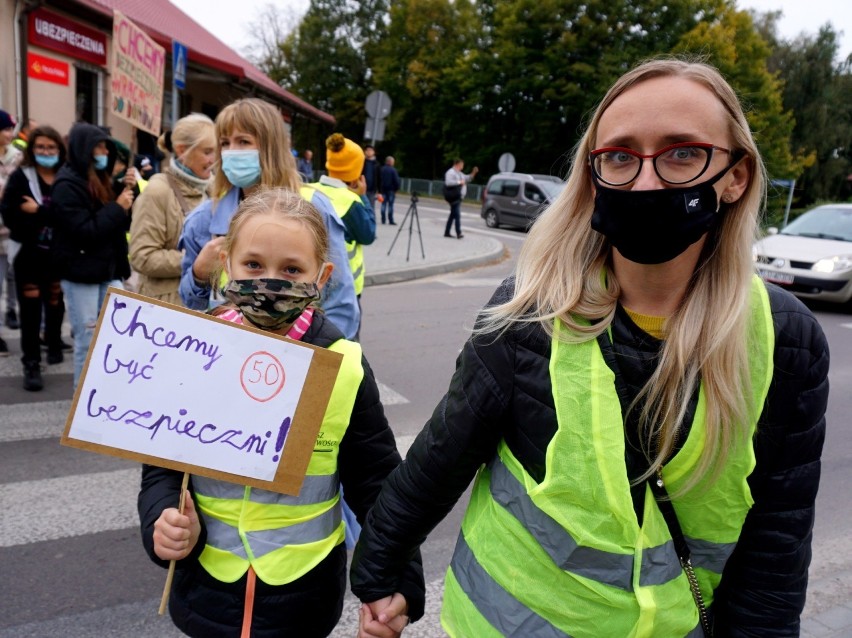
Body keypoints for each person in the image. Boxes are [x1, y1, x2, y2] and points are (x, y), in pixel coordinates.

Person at [351, 58, 829, 637]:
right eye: (621, 157)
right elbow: (437, 461)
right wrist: (382, 579)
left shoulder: (787, 340)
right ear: (594, 174)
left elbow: (775, 548)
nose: (647, 181)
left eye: (682, 153)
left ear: (736, 175)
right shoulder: (529, 311)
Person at [139, 188, 424, 638]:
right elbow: (161, 467)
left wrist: (396, 581)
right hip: (206, 590)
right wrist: (162, 520)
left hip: (303, 596)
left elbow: (377, 484)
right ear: (227, 262)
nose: (270, 282)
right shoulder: (195, 350)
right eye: (253, 265)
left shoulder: (343, 364)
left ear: (321, 276)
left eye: (291, 269)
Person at [178, 98, 360, 341]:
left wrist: (318, 362)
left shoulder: (314, 207)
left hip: (300, 357)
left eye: (243, 141)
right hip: (229, 356)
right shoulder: (204, 218)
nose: (232, 151)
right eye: (224, 143)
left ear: (271, 146)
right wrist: (199, 275)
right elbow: (190, 306)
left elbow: (340, 304)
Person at [51, 123, 134, 386]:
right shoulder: (66, 185)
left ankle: (104, 396)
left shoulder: (100, 179)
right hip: (82, 275)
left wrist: (126, 193)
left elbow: (115, 223)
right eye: (97, 147)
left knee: (114, 337)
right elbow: (85, 230)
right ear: (82, 149)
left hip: (108, 271)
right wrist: (118, 208)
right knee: (87, 343)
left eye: (105, 147)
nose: (103, 153)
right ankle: (80, 406)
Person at [0, 125, 68, 390]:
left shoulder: (67, 177)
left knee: (54, 300)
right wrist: (47, 217)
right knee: (29, 309)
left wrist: (38, 212)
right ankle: (31, 362)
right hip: (28, 253)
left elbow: (69, 216)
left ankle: (52, 341)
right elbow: (11, 217)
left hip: (59, 253)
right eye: (40, 147)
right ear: (32, 149)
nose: (45, 152)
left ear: (59, 150)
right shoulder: (20, 177)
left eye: (51, 147)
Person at [130, 114, 215, 306]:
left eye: (216, 152)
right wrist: (197, 259)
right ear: (182, 150)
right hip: (168, 309)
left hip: (204, 303)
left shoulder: (214, 188)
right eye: (208, 152)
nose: (214, 160)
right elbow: (142, 256)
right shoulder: (158, 191)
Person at [310, 133, 376, 316]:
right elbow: (368, 234)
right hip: (343, 289)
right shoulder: (351, 202)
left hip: (309, 283)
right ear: (356, 173)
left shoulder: (308, 190)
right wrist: (362, 195)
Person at [0, 108, 23, 354]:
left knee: (14, 276)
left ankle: (11, 311)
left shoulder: (17, 157)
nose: (9, 133)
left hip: (14, 229)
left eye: (10, 129)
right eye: (5, 129)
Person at [443, 158, 477, 239]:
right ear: (457, 164)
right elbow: (448, 183)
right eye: (462, 164)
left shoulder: (460, 174)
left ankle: (447, 232)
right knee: (457, 215)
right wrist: (459, 182)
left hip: (459, 197)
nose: (463, 166)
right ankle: (459, 233)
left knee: (452, 215)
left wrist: (473, 173)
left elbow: (468, 178)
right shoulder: (450, 172)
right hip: (453, 197)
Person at [379, 156, 401, 225]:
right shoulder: (393, 170)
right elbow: (396, 181)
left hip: (383, 190)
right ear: (391, 162)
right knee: (390, 205)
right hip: (391, 190)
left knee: (383, 204)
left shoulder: (381, 169)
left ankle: (383, 219)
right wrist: (396, 188)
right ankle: (390, 220)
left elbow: (379, 180)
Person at [362, 145, 380, 212]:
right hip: (362, 188)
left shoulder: (376, 164)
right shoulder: (362, 162)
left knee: (371, 207)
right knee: (362, 206)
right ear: (365, 152)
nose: (369, 152)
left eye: (371, 150)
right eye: (367, 150)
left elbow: (379, 178)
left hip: (372, 189)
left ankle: (371, 221)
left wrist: (379, 191)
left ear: (373, 152)